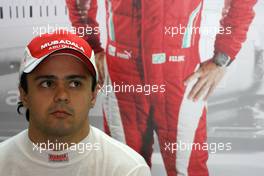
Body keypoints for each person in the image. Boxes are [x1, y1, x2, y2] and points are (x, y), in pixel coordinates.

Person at [66, 0, 257, 175]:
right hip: (123, 79)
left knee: (188, 171)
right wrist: (91, 46)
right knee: (124, 170)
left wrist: (223, 58)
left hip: (181, 80)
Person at [0, 31, 151, 176]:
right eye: (47, 83)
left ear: (93, 95)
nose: (62, 95)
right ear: (24, 94)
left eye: (75, 84)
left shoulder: (128, 169)